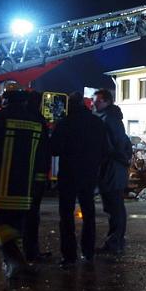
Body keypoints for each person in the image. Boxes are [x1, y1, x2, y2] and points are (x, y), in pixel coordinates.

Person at [0, 84, 49, 279]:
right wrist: (39, 184)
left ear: (6, 100)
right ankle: (15, 263)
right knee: (14, 227)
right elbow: (43, 157)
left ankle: (16, 264)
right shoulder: (38, 121)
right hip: (25, 191)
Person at [50, 92, 109, 266]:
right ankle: (88, 252)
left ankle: (69, 256)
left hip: (68, 174)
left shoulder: (65, 123)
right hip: (89, 174)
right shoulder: (97, 123)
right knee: (89, 214)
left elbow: (54, 149)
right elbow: (105, 150)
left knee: (66, 216)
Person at [94, 88, 133, 254]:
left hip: (112, 169)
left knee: (115, 207)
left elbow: (117, 143)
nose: (95, 103)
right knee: (113, 206)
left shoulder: (109, 119)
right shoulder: (109, 117)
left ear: (107, 101)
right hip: (112, 168)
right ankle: (115, 242)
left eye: (98, 100)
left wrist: (118, 158)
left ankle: (115, 243)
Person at [22, 90, 52, 262]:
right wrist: (45, 176)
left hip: (18, 178)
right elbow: (45, 152)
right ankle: (31, 253)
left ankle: (19, 253)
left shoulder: (19, 117)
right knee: (32, 216)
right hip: (35, 178)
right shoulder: (39, 121)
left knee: (19, 216)